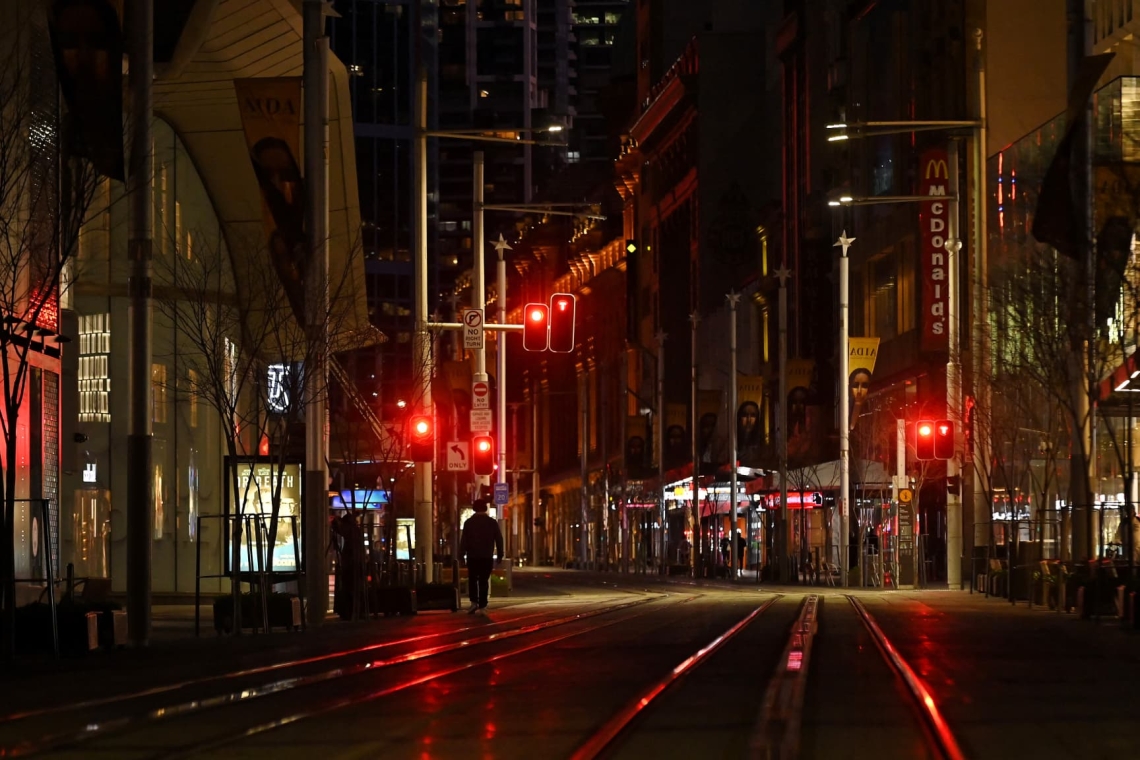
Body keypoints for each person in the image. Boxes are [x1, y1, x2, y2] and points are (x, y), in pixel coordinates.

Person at [460, 498, 504, 614]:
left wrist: (461, 555)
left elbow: (464, 541)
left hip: (472, 556)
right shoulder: (492, 522)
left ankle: (473, 603)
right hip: (486, 556)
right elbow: (499, 539)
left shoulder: (468, 523)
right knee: (484, 580)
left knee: (473, 579)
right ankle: (483, 605)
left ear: (474, 508)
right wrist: (500, 554)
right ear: (485, 508)